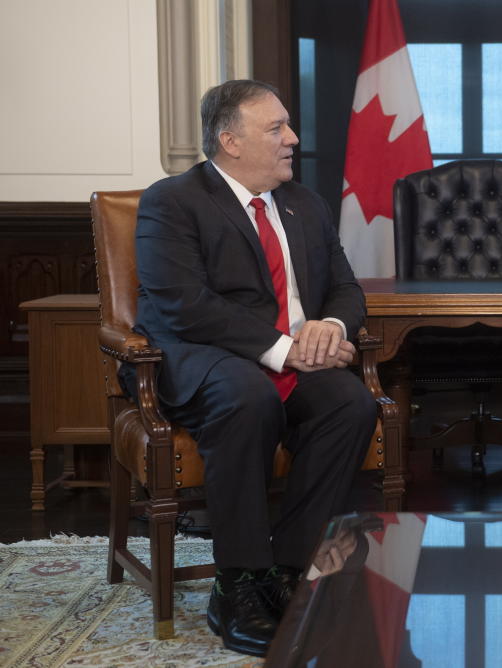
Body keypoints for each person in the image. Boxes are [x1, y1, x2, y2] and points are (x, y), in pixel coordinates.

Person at [122, 79, 377, 657]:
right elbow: (184, 304)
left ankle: (288, 568)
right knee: (247, 396)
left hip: (291, 357)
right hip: (198, 356)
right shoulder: (173, 201)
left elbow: (346, 289)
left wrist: (329, 330)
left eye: (287, 125)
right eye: (276, 128)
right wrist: (287, 349)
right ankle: (236, 582)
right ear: (229, 140)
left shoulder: (304, 203)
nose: (292, 138)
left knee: (351, 404)